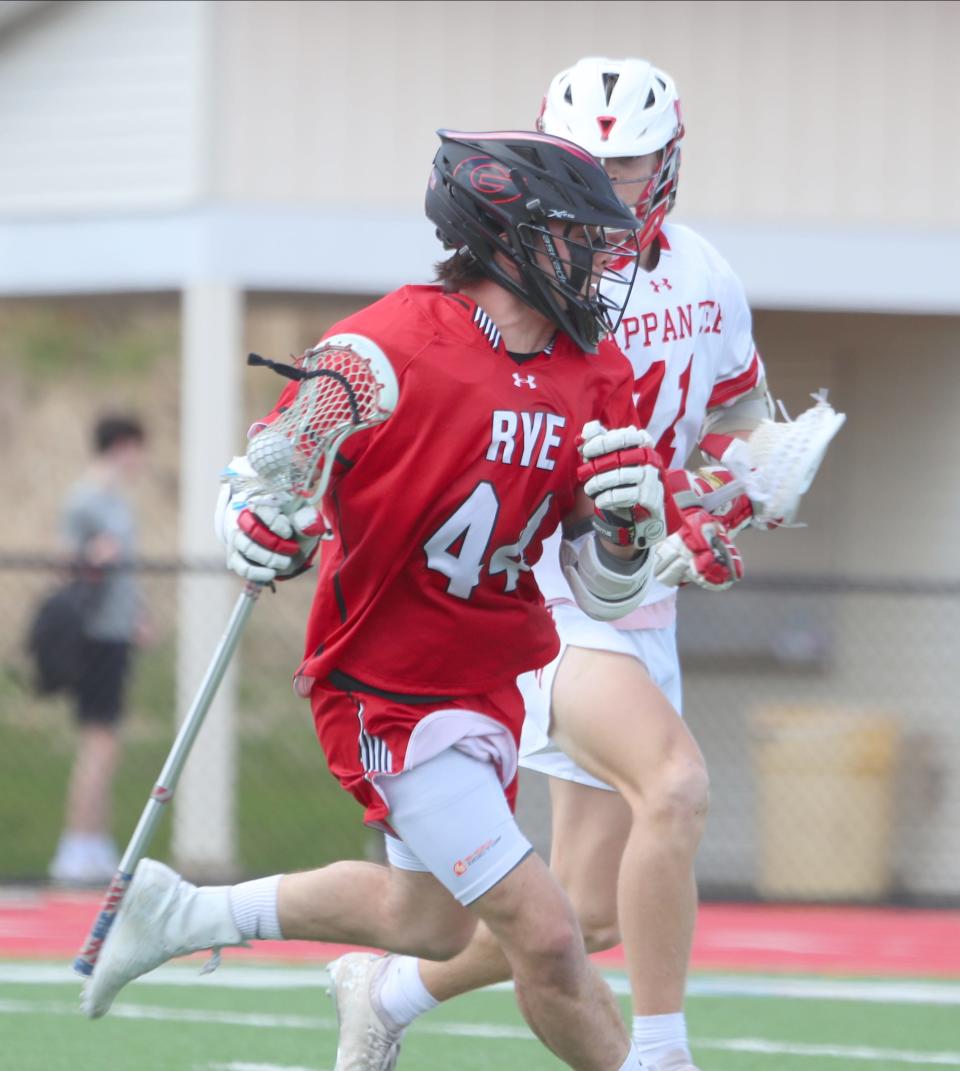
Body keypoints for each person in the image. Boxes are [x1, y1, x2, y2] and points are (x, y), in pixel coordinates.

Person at [81, 128, 673, 1071]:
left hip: (486, 686)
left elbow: (604, 588)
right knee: (549, 932)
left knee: (427, 922)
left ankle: (185, 912)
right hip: (387, 685)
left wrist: (626, 536)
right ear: (507, 232)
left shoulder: (592, 374)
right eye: (573, 236)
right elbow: (267, 470)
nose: (599, 259)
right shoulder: (389, 344)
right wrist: (255, 519)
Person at [331, 58, 780, 1071]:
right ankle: (661, 1056)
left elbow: (738, 416)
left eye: (632, 167)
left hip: (647, 606)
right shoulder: (542, 277)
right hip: (556, 596)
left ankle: (388, 988)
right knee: (675, 786)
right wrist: (660, 518)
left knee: (586, 909)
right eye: (593, 165)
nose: (612, 190)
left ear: (667, 164)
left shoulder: (706, 274)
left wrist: (749, 484)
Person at [49, 415, 148, 885]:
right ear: (122, 445)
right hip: (93, 635)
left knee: (108, 744)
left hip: (118, 634)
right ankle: (76, 845)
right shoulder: (85, 500)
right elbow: (67, 563)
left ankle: (96, 843)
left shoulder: (116, 501)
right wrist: (92, 558)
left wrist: (138, 618)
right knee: (97, 740)